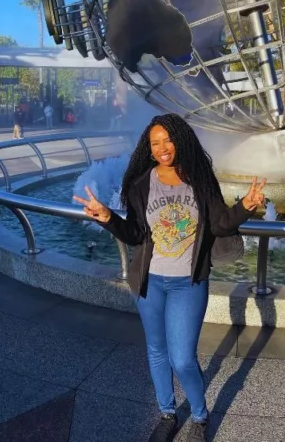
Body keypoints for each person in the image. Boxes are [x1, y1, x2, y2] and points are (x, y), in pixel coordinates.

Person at [73, 114, 267, 442]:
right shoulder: (140, 184)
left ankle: (200, 416)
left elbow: (220, 224)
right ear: (148, 149)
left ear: (180, 139)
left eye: (168, 140)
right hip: (149, 282)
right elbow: (135, 234)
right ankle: (166, 413)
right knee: (157, 351)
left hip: (187, 283)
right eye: (155, 143)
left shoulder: (201, 178)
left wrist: (246, 205)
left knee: (182, 357)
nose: (163, 148)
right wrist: (107, 217)